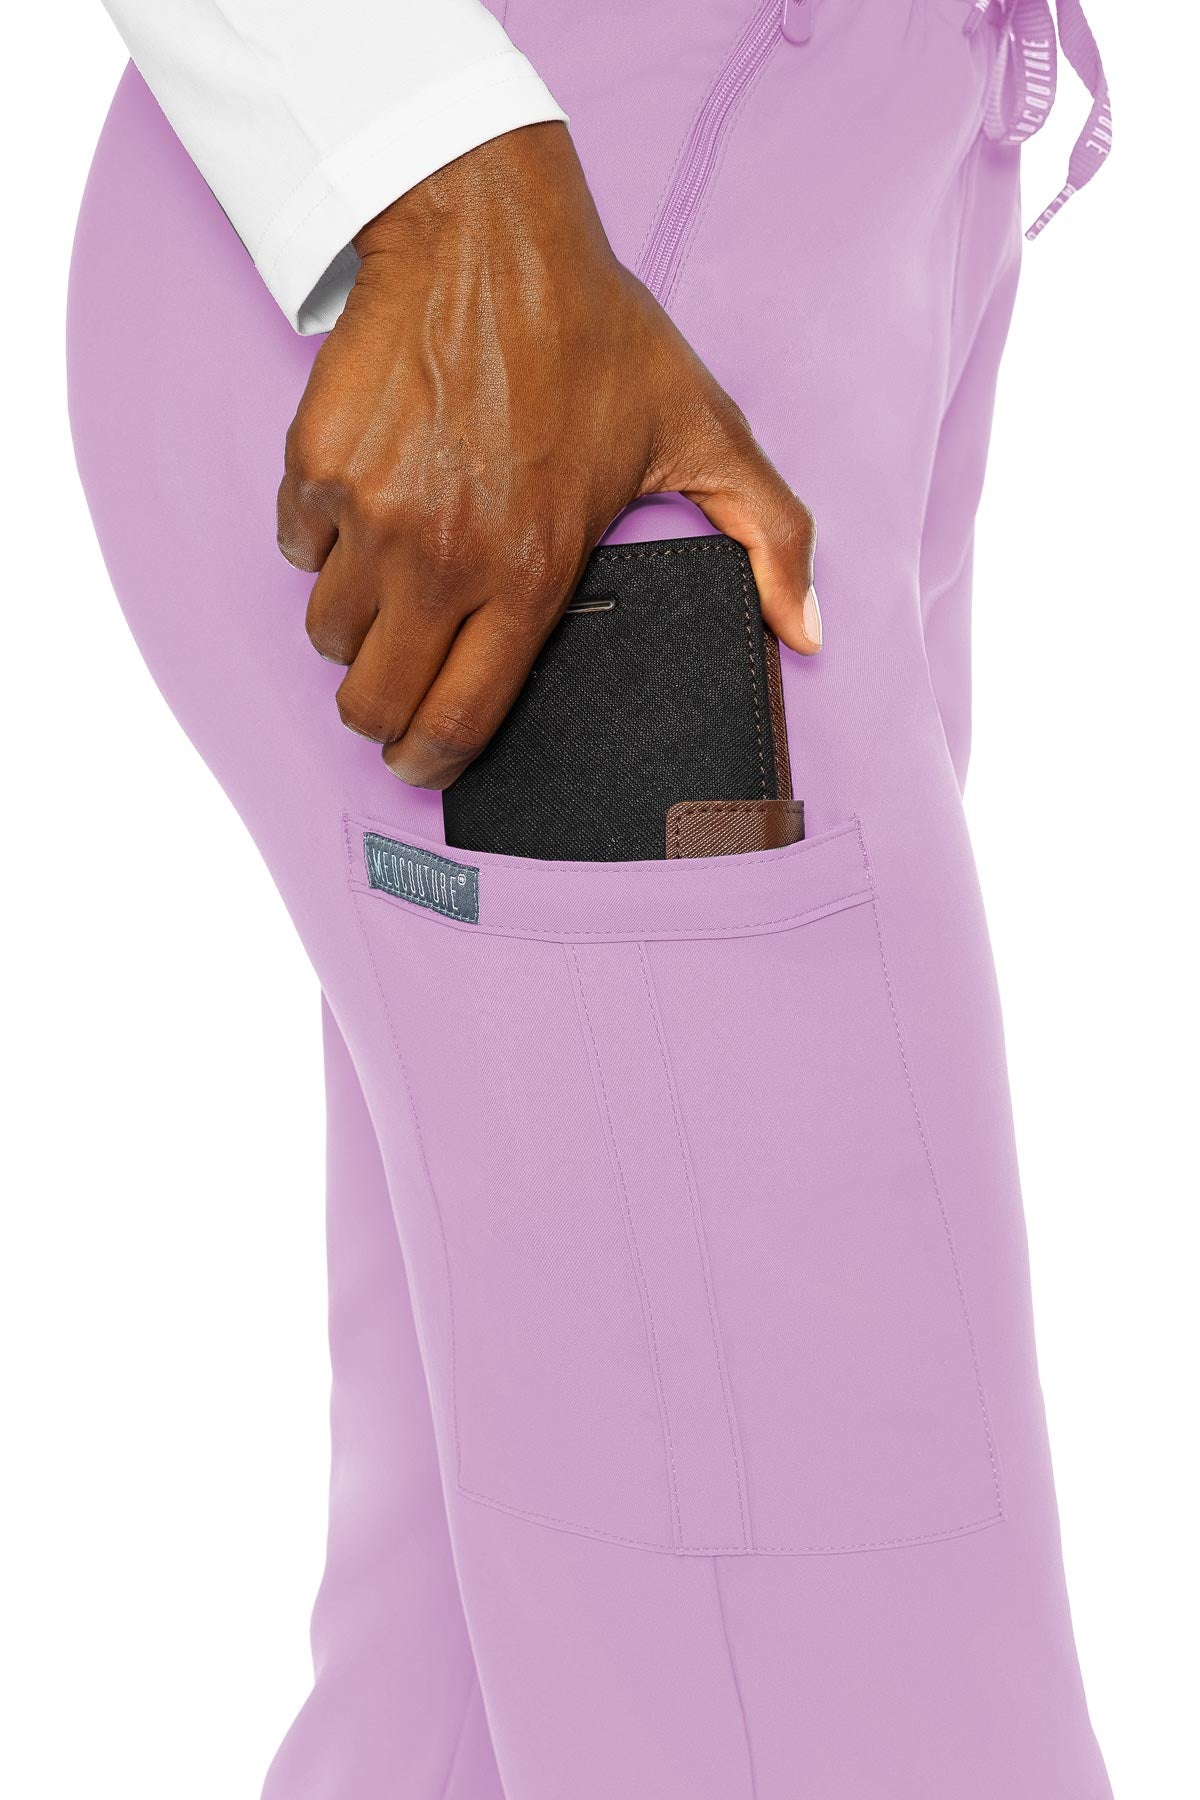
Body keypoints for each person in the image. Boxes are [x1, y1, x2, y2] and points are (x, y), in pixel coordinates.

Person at [68, 3, 1115, 1796]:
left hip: (804, 234)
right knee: (852, 1680)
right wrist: (433, 166)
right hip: (541, 329)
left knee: (494, 1668)